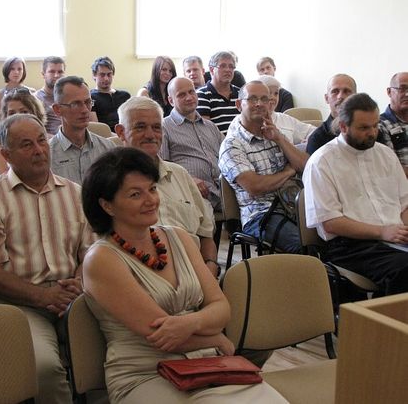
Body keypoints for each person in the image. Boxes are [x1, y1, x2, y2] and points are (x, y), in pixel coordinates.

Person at [80, 146, 287, 404]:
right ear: (107, 205)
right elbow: (162, 337)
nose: (151, 200)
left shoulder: (178, 236)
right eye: (135, 194)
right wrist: (215, 336)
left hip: (207, 363)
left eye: (152, 189)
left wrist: (193, 323)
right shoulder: (102, 259)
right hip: (145, 373)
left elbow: (222, 309)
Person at [0, 113, 94, 404]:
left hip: (74, 296)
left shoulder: (75, 194)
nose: (38, 150)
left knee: (118, 346)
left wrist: (78, 282)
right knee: (44, 369)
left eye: (41, 141)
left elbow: (91, 253)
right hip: (15, 303)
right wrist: (44, 296)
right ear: (6, 155)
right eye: (26, 145)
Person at [303, 93, 408, 296]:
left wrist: (404, 230)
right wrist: (382, 232)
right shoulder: (322, 161)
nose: (372, 133)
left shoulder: (385, 154)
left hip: (393, 236)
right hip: (350, 246)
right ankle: (383, 316)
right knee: (404, 268)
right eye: (364, 128)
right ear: (343, 126)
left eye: (375, 126)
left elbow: (404, 204)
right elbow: (330, 222)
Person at [116, 96, 219, 277]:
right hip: (141, 280)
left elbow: (205, 235)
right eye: (140, 127)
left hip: (196, 276)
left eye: (156, 127)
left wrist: (210, 267)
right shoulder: (110, 182)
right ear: (121, 132)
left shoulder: (180, 175)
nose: (150, 135)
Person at [219, 81, 309, 253]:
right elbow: (255, 186)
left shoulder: (273, 134)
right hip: (261, 215)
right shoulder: (232, 145)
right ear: (239, 104)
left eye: (264, 99)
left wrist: (279, 139)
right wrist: (289, 171)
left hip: (294, 207)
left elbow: (305, 166)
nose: (259, 104)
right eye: (252, 99)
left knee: (332, 238)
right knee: (304, 245)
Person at [161, 77, 224, 247]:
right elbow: (162, 165)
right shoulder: (164, 127)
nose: (189, 97)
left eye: (191, 92)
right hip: (191, 193)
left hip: (222, 191)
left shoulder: (210, 126)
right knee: (205, 220)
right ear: (171, 100)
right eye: (182, 95)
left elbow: (226, 157)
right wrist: (188, 179)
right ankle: (206, 261)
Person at [50, 76, 116, 185]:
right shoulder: (48, 155)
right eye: (75, 104)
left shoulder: (108, 149)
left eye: (88, 102)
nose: (85, 110)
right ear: (57, 110)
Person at [227, 75, 315, 145]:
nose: (273, 97)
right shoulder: (239, 122)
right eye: (268, 93)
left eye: (276, 93)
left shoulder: (285, 119)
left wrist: (309, 141)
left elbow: (313, 131)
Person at [306, 74, 357, 154]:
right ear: (327, 98)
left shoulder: (370, 132)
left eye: (346, 91)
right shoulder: (317, 139)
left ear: (356, 97)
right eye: (335, 92)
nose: (340, 96)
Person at [197, 51, 240, 135]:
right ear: (211, 69)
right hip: (217, 142)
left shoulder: (241, 93)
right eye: (223, 66)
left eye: (231, 66)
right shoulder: (202, 95)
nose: (228, 70)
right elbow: (206, 131)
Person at [378, 72, 408, 177]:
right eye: (402, 89)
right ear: (389, 92)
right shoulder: (379, 125)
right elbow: (392, 168)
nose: (407, 94)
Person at [90, 56, 130, 131]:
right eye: (102, 75)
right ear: (94, 75)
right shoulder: (90, 97)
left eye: (109, 74)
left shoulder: (125, 96)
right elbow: (96, 128)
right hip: (105, 135)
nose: (106, 79)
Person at [35, 56, 66, 135]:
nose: (56, 75)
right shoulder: (36, 99)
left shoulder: (69, 96)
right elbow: (36, 130)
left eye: (60, 72)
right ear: (43, 74)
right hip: (51, 139)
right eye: (52, 72)